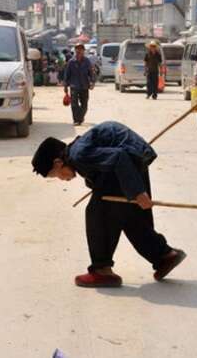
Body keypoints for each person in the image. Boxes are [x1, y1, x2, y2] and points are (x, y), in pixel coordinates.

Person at [32, 121, 186, 287]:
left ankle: (101, 270)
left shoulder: (78, 154)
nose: (62, 179)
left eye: (56, 175)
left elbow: (118, 157)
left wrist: (137, 191)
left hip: (127, 163)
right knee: (130, 217)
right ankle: (164, 256)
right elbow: (103, 166)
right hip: (132, 163)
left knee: (97, 213)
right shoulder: (78, 153)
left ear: (58, 163)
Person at [63, 44, 95, 126]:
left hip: (84, 86)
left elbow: (91, 73)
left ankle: (80, 117)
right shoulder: (71, 62)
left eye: (81, 49)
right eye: (77, 49)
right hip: (74, 86)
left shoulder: (87, 61)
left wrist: (92, 82)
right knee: (74, 104)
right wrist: (65, 86)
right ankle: (76, 120)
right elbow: (67, 74)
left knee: (84, 104)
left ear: (83, 51)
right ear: (75, 50)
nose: (79, 51)